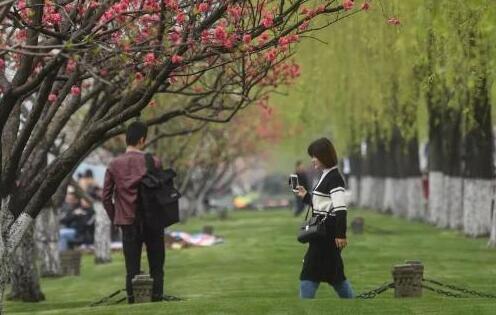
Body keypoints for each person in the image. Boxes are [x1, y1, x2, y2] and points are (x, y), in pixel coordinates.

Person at [102, 121, 165, 303]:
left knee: (132, 267)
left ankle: (132, 298)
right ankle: (157, 297)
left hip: (128, 221)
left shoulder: (114, 164)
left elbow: (106, 197)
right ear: (142, 139)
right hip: (153, 220)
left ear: (126, 139)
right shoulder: (153, 161)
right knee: (156, 265)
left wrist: (115, 218)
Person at [296, 137, 354, 299]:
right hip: (322, 232)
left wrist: (340, 234)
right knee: (335, 276)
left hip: (327, 234)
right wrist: (306, 196)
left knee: (310, 272)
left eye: (315, 156)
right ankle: (352, 303)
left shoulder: (334, 178)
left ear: (324, 156)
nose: (312, 160)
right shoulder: (325, 175)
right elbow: (322, 205)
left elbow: (340, 209)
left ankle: (304, 305)